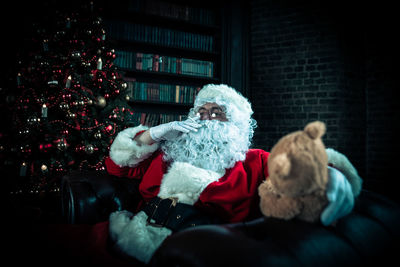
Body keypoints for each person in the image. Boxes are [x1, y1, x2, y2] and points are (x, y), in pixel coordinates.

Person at [105, 84, 360, 263]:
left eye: (217, 113)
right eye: (201, 113)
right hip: (130, 233)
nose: (206, 120)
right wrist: (156, 133)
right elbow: (117, 166)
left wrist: (322, 172)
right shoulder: (169, 151)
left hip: (195, 251)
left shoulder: (253, 161)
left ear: (236, 126)